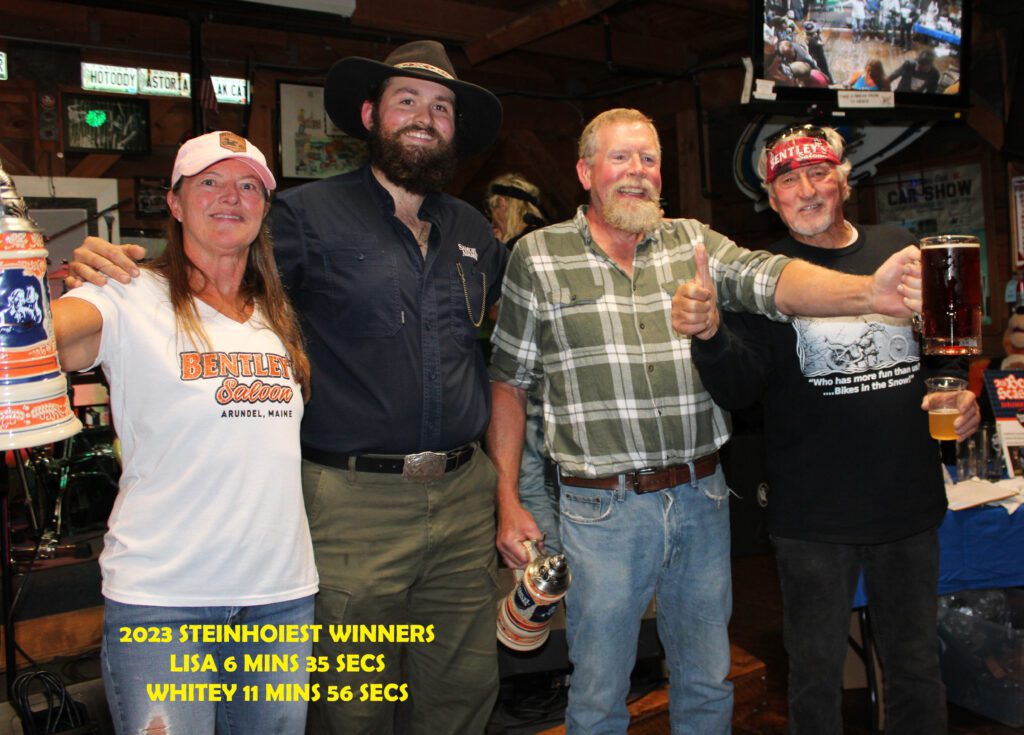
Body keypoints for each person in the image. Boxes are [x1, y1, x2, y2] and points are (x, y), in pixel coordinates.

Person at [66, 40, 507, 735]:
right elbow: (219, 272)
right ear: (369, 115)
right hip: (351, 507)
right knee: (353, 703)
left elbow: (490, 366)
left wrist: (505, 494)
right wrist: (124, 268)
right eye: (406, 101)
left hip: (461, 501)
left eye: (442, 107)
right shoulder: (304, 218)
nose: (425, 117)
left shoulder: (477, 232)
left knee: (462, 690)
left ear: (455, 129)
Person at [486, 108, 922, 734]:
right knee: (598, 695)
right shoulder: (538, 256)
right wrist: (508, 497)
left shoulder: (694, 242)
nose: (636, 172)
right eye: (620, 158)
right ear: (585, 172)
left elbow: (769, 277)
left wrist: (868, 295)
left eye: (648, 159)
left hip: (701, 498)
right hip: (600, 512)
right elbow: (508, 383)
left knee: (707, 685)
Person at [690, 124, 979, 734]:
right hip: (813, 520)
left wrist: (956, 390)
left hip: (907, 503)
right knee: (815, 679)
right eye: (788, 181)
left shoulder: (897, 245)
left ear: (844, 181)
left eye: (819, 174)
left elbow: (943, 351)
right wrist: (713, 334)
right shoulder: (765, 279)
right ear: (772, 200)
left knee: (917, 670)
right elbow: (741, 392)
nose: (807, 190)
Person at [53, 131, 318, 735]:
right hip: (164, 601)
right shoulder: (126, 293)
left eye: (249, 185)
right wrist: (26, 276)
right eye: (210, 182)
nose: (232, 196)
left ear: (264, 208)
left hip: (278, 597)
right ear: (174, 203)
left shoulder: (277, 316)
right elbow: (35, 338)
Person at [484, 174, 560, 554]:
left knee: (528, 479)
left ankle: (547, 561)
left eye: (496, 204)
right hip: (550, 385)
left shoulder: (519, 249)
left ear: (505, 205)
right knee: (550, 480)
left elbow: (504, 317)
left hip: (524, 385)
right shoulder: (551, 241)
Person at [486, 173, 547, 249]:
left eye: (491, 211)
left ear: (502, 203)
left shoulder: (515, 249)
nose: (492, 223)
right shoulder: (542, 236)